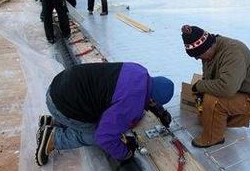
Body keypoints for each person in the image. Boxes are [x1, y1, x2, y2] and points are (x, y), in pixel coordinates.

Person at [35, 62, 174, 166]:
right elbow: (104, 137)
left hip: (57, 88)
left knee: (97, 109)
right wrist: (125, 153)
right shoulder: (132, 105)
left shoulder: (138, 71)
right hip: (62, 106)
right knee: (95, 135)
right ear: (153, 100)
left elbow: (127, 93)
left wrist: (157, 110)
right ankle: (54, 138)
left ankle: (55, 122)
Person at [181, 25, 250, 148]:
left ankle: (212, 138)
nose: (197, 58)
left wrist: (200, 86)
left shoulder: (233, 52)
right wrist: (202, 93)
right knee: (204, 117)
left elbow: (227, 88)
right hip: (236, 91)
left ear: (208, 46)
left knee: (213, 102)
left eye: (198, 55)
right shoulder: (209, 51)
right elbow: (209, 76)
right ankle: (249, 115)